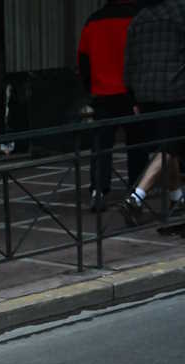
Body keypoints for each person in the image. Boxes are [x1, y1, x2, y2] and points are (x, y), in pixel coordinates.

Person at [119, 0, 185, 225]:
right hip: (175, 90)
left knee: (168, 147)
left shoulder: (139, 19)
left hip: (145, 93)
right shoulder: (180, 10)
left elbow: (129, 62)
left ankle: (178, 198)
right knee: (170, 147)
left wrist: (133, 96)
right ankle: (136, 197)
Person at [78, 0, 144, 212]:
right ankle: (136, 191)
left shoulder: (93, 21)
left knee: (101, 147)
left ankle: (98, 190)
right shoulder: (136, 17)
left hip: (102, 94)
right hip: (130, 93)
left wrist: (90, 87)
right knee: (136, 145)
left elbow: (83, 59)